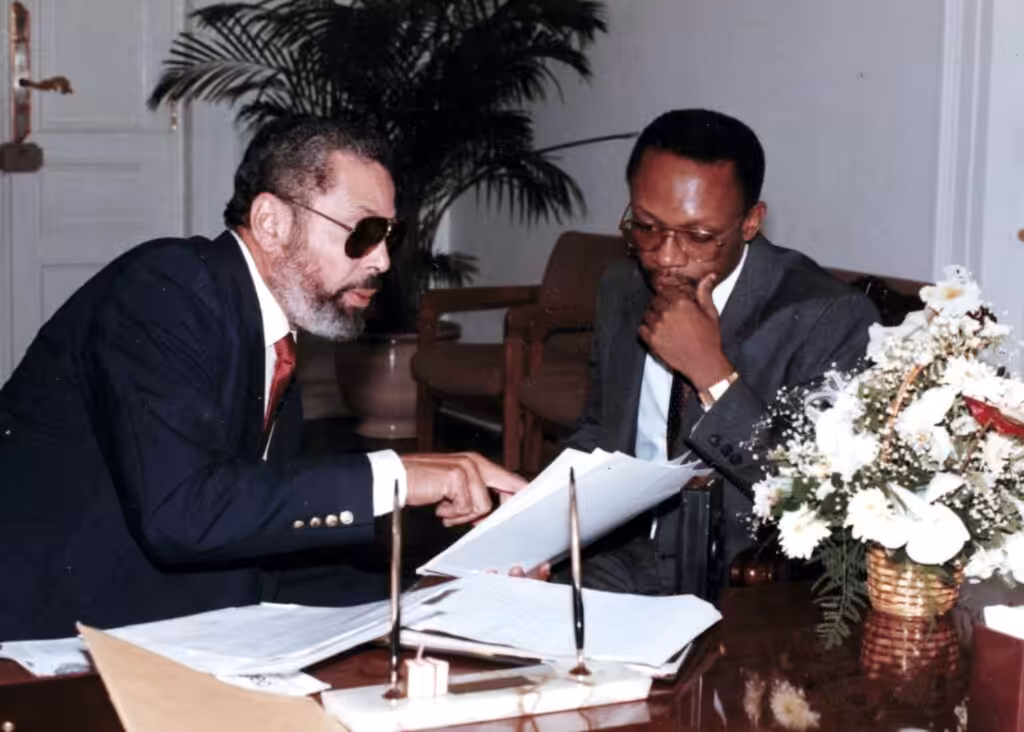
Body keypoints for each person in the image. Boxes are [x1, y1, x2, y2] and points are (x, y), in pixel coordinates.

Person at [0, 117, 525, 640]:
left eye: (392, 236)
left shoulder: (272, 336)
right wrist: (399, 477)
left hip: (157, 615)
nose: (383, 260)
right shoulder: (165, 287)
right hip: (47, 643)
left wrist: (444, 593)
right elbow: (183, 513)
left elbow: (264, 556)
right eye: (364, 233)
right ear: (272, 222)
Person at [566, 109, 878, 595]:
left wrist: (711, 373)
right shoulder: (621, 285)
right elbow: (599, 427)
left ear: (750, 222)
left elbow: (818, 498)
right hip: (614, 549)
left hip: (734, 576)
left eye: (698, 236)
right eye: (647, 227)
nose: (666, 256)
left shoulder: (825, 317)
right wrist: (535, 515)